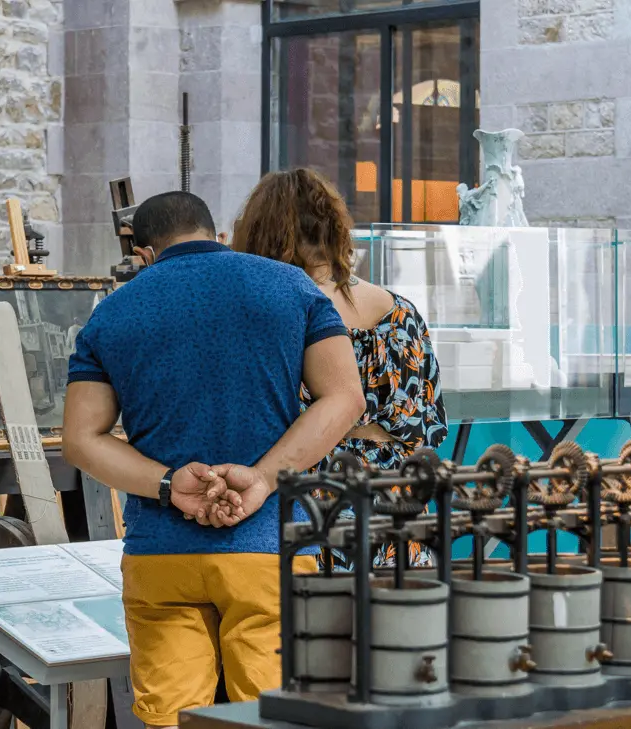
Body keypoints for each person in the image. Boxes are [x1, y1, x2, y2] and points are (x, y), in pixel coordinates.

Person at [62, 191, 366, 729]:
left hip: (161, 554)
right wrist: (264, 477)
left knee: (170, 719)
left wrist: (167, 484)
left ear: (144, 253)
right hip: (268, 547)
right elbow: (344, 398)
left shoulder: (112, 312)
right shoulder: (288, 286)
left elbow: (83, 439)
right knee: (275, 715)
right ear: (217, 235)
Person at [230, 168, 448, 570]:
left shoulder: (275, 312)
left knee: (321, 628)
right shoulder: (401, 311)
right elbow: (427, 427)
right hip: (398, 509)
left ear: (261, 235)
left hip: (310, 507)